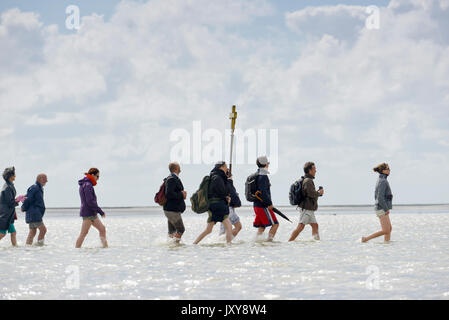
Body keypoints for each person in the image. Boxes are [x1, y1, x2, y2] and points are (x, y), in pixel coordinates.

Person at [193, 161, 234, 244]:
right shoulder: (217, 177)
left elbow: (217, 192)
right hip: (218, 206)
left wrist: (225, 196)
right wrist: (229, 180)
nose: (227, 168)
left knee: (208, 230)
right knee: (229, 226)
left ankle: (194, 244)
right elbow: (223, 191)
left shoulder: (215, 176)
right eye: (225, 166)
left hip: (214, 206)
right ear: (221, 167)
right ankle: (229, 245)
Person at [289, 162, 324, 241]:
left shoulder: (308, 180)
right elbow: (311, 193)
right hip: (306, 208)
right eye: (314, 169)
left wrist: (317, 193)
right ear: (309, 170)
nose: (316, 170)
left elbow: (309, 193)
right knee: (300, 226)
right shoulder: (308, 180)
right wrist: (319, 193)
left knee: (315, 226)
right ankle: (289, 242)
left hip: (309, 208)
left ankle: (317, 242)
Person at [75, 168, 108, 248]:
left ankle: (105, 248)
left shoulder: (86, 184)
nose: (98, 179)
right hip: (88, 213)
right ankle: (76, 250)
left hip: (91, 212)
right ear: (92, 175)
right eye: (97, 176)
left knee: (102, 229)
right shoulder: (87, 185)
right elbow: (90, 201)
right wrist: (100, 211)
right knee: (83, 233)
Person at [362, 163, 393, 243]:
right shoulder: (382, 181)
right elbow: (380, 197)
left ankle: (387, 244)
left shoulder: (382, 180)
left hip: (382, 207)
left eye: (389, 168)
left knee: (389, 229)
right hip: (381, 208)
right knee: (386, 230)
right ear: (383, 171)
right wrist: (386, 209)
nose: (389, 170)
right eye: (387, 169)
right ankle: (366, 239)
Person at [253, 156, 279, 241]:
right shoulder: (263, 176)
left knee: (262, 227)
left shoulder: (257, 174)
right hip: (263, 206)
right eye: (268, 163)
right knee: (275, 224)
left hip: (257, 205)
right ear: (265, 164)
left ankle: (256, 243)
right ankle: (269, 242)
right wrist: (269, 204)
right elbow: (263, 192)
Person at [0, 167, 26, 246]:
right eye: (14, 174)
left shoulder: (9, 185)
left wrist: (19, 198)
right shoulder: (7, 187)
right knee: (2, 233)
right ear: (11, 176)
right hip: (5, 215)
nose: (15, 175)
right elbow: (10, 203)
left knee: (13, 233)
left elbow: (10, 201)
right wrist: (19, 199)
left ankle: (15, 250)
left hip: (9, 214)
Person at [163, 162, 187, 243]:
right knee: (181, 229)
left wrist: (182, 194)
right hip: (172, 210)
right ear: (176, 168)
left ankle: (171, 248)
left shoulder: (173, 178)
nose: (180, 168)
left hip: (171, 209)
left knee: (172, 231)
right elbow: (169, 194)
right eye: (179, 166)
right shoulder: (172, 179)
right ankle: (175, 245)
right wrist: (181, 194)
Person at [21, 174, 48, 246]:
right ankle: (40, 246)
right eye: (45, 179)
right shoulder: (35, 188)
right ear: (40, 179)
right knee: (43, 230)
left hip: (34, 213)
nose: (46, 181)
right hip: (34, 213)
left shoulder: (38, 188)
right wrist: (23, 207)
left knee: (32, 232)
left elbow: (27, 196)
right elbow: (28, 199)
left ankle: (28, 247)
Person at [219, 171, 242, 238]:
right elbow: (233, 196)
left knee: (223, 230)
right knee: (238, 226)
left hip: (223, 209)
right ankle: (225, 239)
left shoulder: (220, 184)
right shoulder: (228, 183)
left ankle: (222, 241)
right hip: (229, 209)